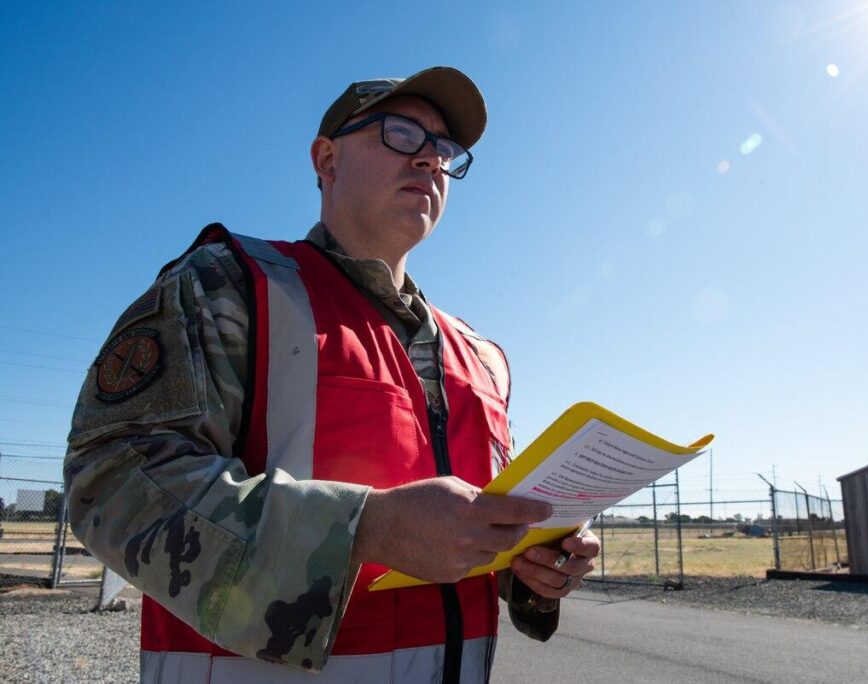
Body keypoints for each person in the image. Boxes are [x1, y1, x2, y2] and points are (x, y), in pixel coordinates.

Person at [64, 66, 600, 682]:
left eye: (445, 149)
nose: (430, 159)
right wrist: (366, 528)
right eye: (402, 134)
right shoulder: (230, 288)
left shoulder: (479, 356)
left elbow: (471, 537)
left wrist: (530, 561)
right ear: (326, 160)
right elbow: (111, 481)